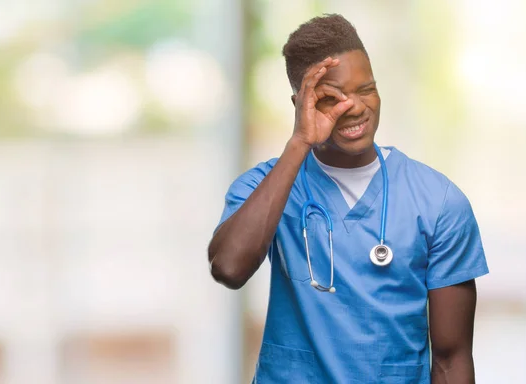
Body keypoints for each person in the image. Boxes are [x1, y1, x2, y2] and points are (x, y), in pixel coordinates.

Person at [208, 13, 489, 383]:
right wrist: (299, 144)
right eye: (331, 98)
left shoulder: (438, 202)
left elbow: (452, 359)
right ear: (300, 104)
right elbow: (228, 268)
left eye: (365, 89)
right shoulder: (264, 186)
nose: (354, 107)